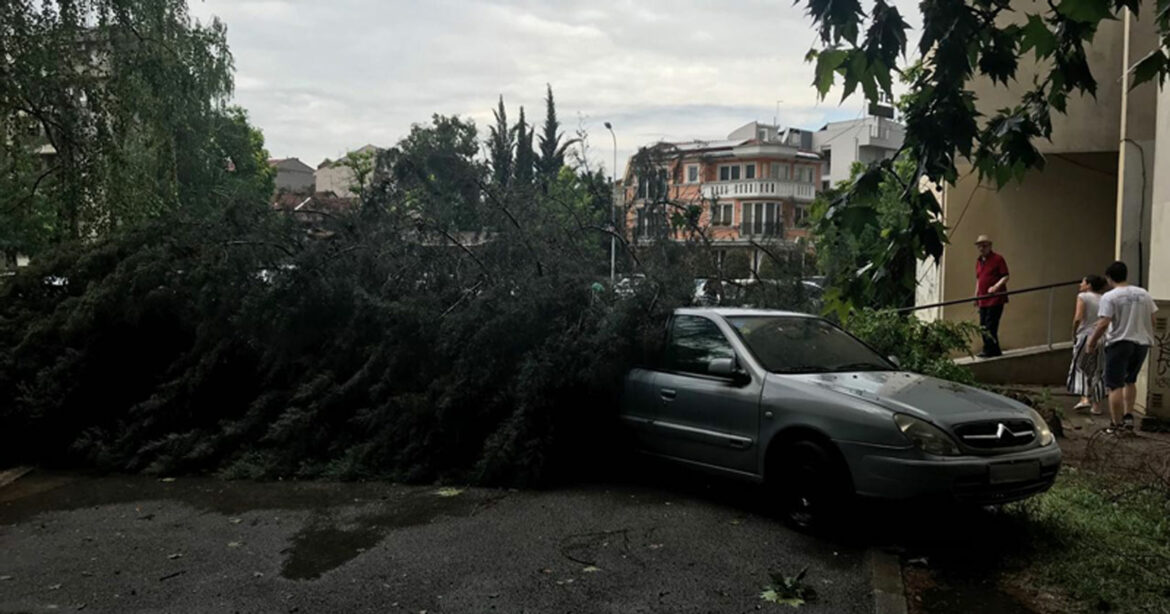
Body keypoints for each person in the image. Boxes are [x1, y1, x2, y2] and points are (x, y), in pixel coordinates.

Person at [1086, 261, 1159, 434]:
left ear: (1109, 278)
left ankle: (1115, 424)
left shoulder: (1110, 297)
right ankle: (1128, 416)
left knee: (1114, 385)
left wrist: (1091, 342)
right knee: (1130, 380)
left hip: (1119, 342)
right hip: (1141, 343)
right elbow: (1154, 319)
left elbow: (1104, 323)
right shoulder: (1144, 294)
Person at [1067, 275, 1107, 414]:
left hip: (1085, 335)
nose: (1080, 284)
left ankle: (1084, 398)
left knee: (1080, 366)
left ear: (1089, 285)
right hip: (1101, 336)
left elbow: (1078, 317)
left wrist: (1073, 332)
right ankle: (1097, 405)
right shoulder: (1104, 298)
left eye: (1083, 282)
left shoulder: (1083, 297)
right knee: (1098, 370)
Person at [974, 235, 1010, 358]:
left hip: (995, 298)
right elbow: (979, 280)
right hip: (983, 298)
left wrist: (996, 287)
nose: (982, 248)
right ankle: (994, 350)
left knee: (990, 325)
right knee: (983, 325)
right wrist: (976, 296)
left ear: (990, 246)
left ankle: (988, 349)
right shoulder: (979, 262)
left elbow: (1005, 276)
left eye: (984, 245)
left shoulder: (998, 259)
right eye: (980, 246)